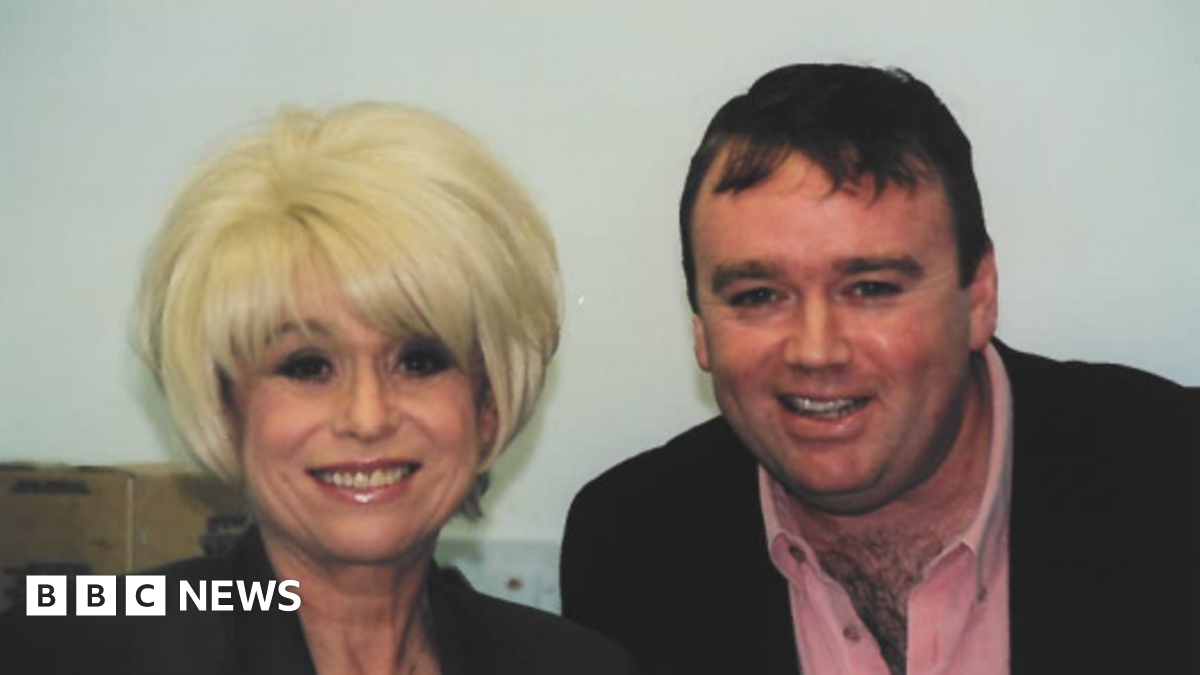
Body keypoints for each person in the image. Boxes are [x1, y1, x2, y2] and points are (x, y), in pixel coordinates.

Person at [560, 64, 1197, 674]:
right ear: (700, 329)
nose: (816, 350)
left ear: (979, 297)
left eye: (870, 288)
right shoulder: (630, 545)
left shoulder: (1172, 474)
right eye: (758, 296)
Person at [7, 102, 636, 675]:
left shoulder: (578, 667)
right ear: (225, 405)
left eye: (418, 360)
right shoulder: (69, 646)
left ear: (488, 406)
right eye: (307, 366)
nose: (367, 416)